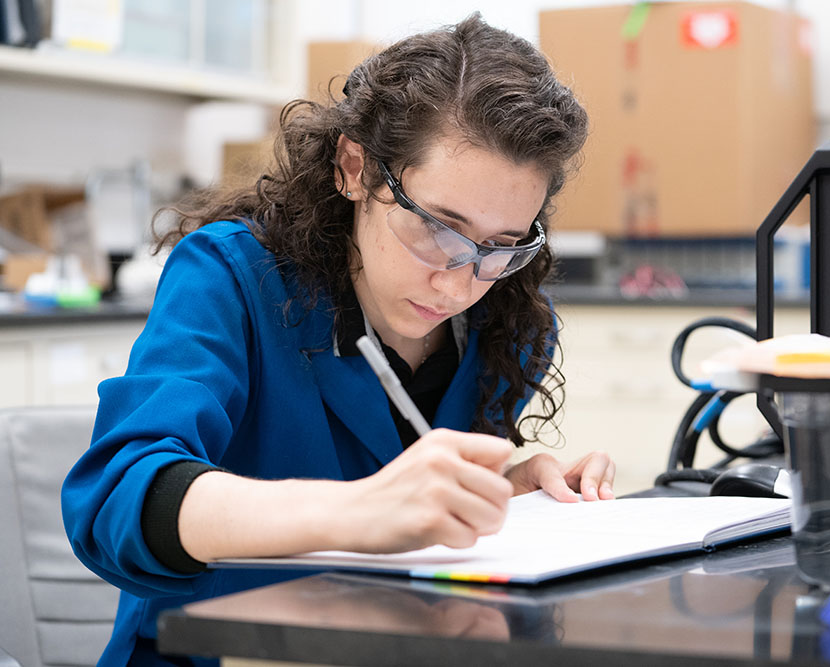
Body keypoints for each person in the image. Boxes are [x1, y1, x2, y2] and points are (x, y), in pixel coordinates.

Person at [62, 13, 615, 667]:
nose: (459, 281)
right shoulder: (234, 278)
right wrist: (355, 510)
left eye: (499, 246)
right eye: (439, 226)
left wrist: (503, 493)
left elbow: (419, 514)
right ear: (355, 167)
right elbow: (118, 498)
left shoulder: (510, 327)